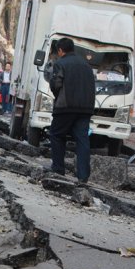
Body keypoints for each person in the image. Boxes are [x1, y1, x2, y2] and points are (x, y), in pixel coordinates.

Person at [48, 37, 95, 183]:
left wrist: (59, 96)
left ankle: (58, 168)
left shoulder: (60, 64)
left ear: (60, 50)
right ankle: (83, 176)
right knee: (82, 140)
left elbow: (56, 85)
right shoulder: (86, 65)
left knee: (56, 134)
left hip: (65, 107)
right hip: (85, 108)